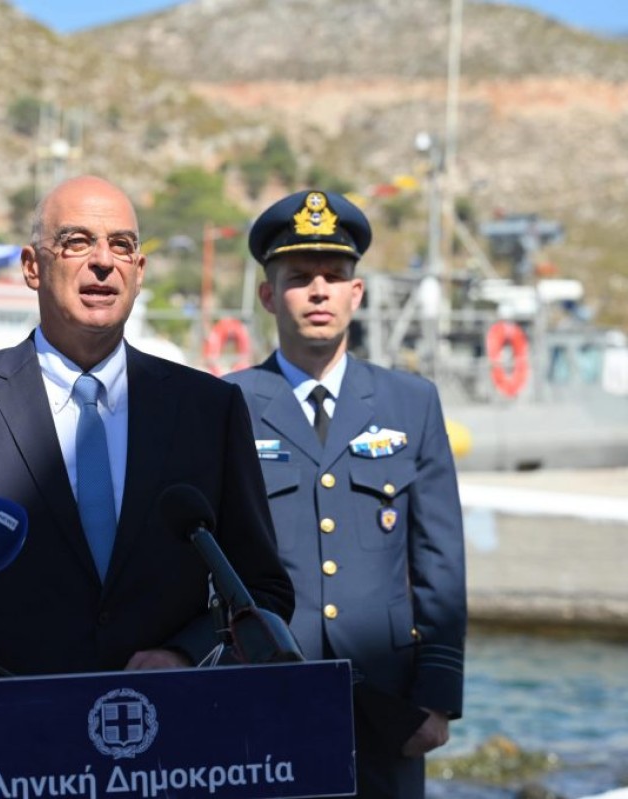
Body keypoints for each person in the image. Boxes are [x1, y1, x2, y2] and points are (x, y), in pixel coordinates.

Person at [0, 175, 293, 680]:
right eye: (76, 242)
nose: (103, 261)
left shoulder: (209, 409)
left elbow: (260, 588)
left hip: (169, 721)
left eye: (122, 245)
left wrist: (184, 653)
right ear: (32, 266)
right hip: (5, 716)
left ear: (139, 272)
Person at [224, 190, 466, 798]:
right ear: (268, 296)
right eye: (299, 278)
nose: (318, 292)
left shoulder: (411, 403)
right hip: (266, 689)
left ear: (356, 294)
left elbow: (439, 562)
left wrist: (438, 697)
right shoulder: (226, 405)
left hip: (388, 704)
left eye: (334, 277)